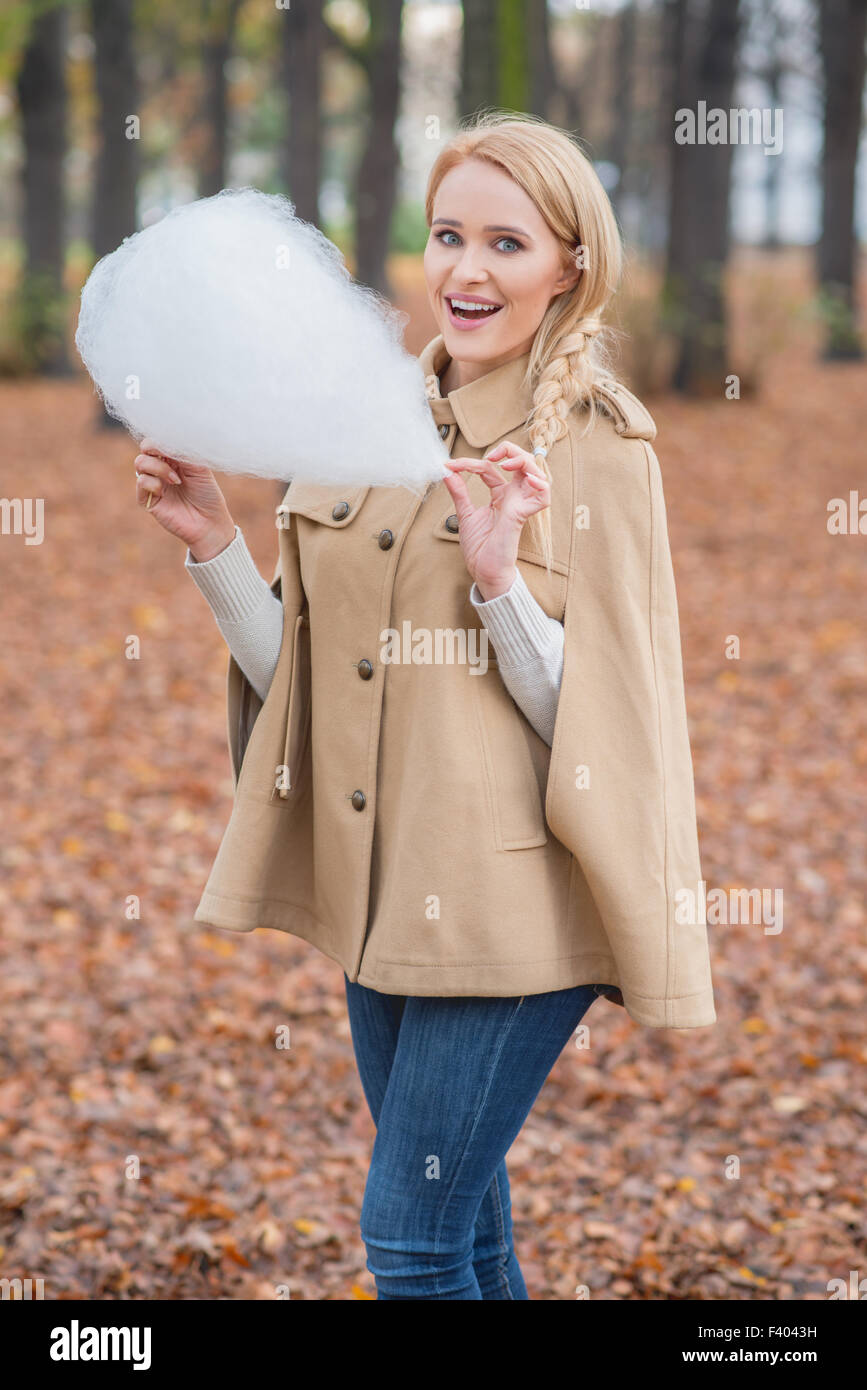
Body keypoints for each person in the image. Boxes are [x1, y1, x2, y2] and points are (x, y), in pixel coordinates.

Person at [133, 112, 716, 1300]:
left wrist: (501, 581)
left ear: (570, 266)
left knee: (408, 1233)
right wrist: (215, 546)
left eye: (507, 242)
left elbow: (605, 729)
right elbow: (296, 672)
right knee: (469, 1232)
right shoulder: (362, 421)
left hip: (512, 912)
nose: (466, 269)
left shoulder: (600, 452)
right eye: (449, 234)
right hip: (379, 892)